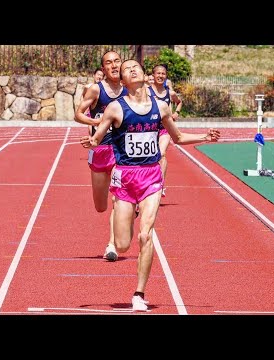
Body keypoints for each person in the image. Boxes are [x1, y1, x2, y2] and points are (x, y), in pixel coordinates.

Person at [80, 59, 220, 311]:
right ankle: (128, 213)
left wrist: (204, 137)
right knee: (123, 244)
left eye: (135, 67)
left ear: (144, 75)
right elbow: (98, 136)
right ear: (122, 81)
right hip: (125, 177)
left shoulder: (162, 107)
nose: (132, 70)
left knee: (146, 234)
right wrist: (91, 143)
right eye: (126, 70)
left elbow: (177, 137)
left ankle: (138, 294)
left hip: (151, 176)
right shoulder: (115, 108)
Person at [75, 51, 128, 261]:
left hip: (121, 152)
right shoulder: (96, 90)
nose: (114, 65)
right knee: (101, 206)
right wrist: (99, 123)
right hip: (100, 151)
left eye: (117, 61)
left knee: (118, 199)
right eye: (109, 63)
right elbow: (78, 114)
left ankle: (112, 245)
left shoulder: (130, 89)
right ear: (103, 68)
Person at [147, 64, 183, 197]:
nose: (161, 76)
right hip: (149, 129)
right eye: (158, 73)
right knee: (150, 157)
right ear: (153, 75)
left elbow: (179, 102)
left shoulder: (170, 93)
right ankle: (147, 183)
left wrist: (176, 113)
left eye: (163, 74)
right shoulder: (146, 91)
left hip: (164, 129)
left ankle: (160, 185)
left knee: (161, 155)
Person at [82, 68, 105, 134]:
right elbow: (84, 98)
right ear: (94, 75)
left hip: (100, 113)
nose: (99, 77)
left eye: (101, 76)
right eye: (98, 75)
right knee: (91, 132)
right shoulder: (87, 87)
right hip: (90, 112)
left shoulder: (104, 88)